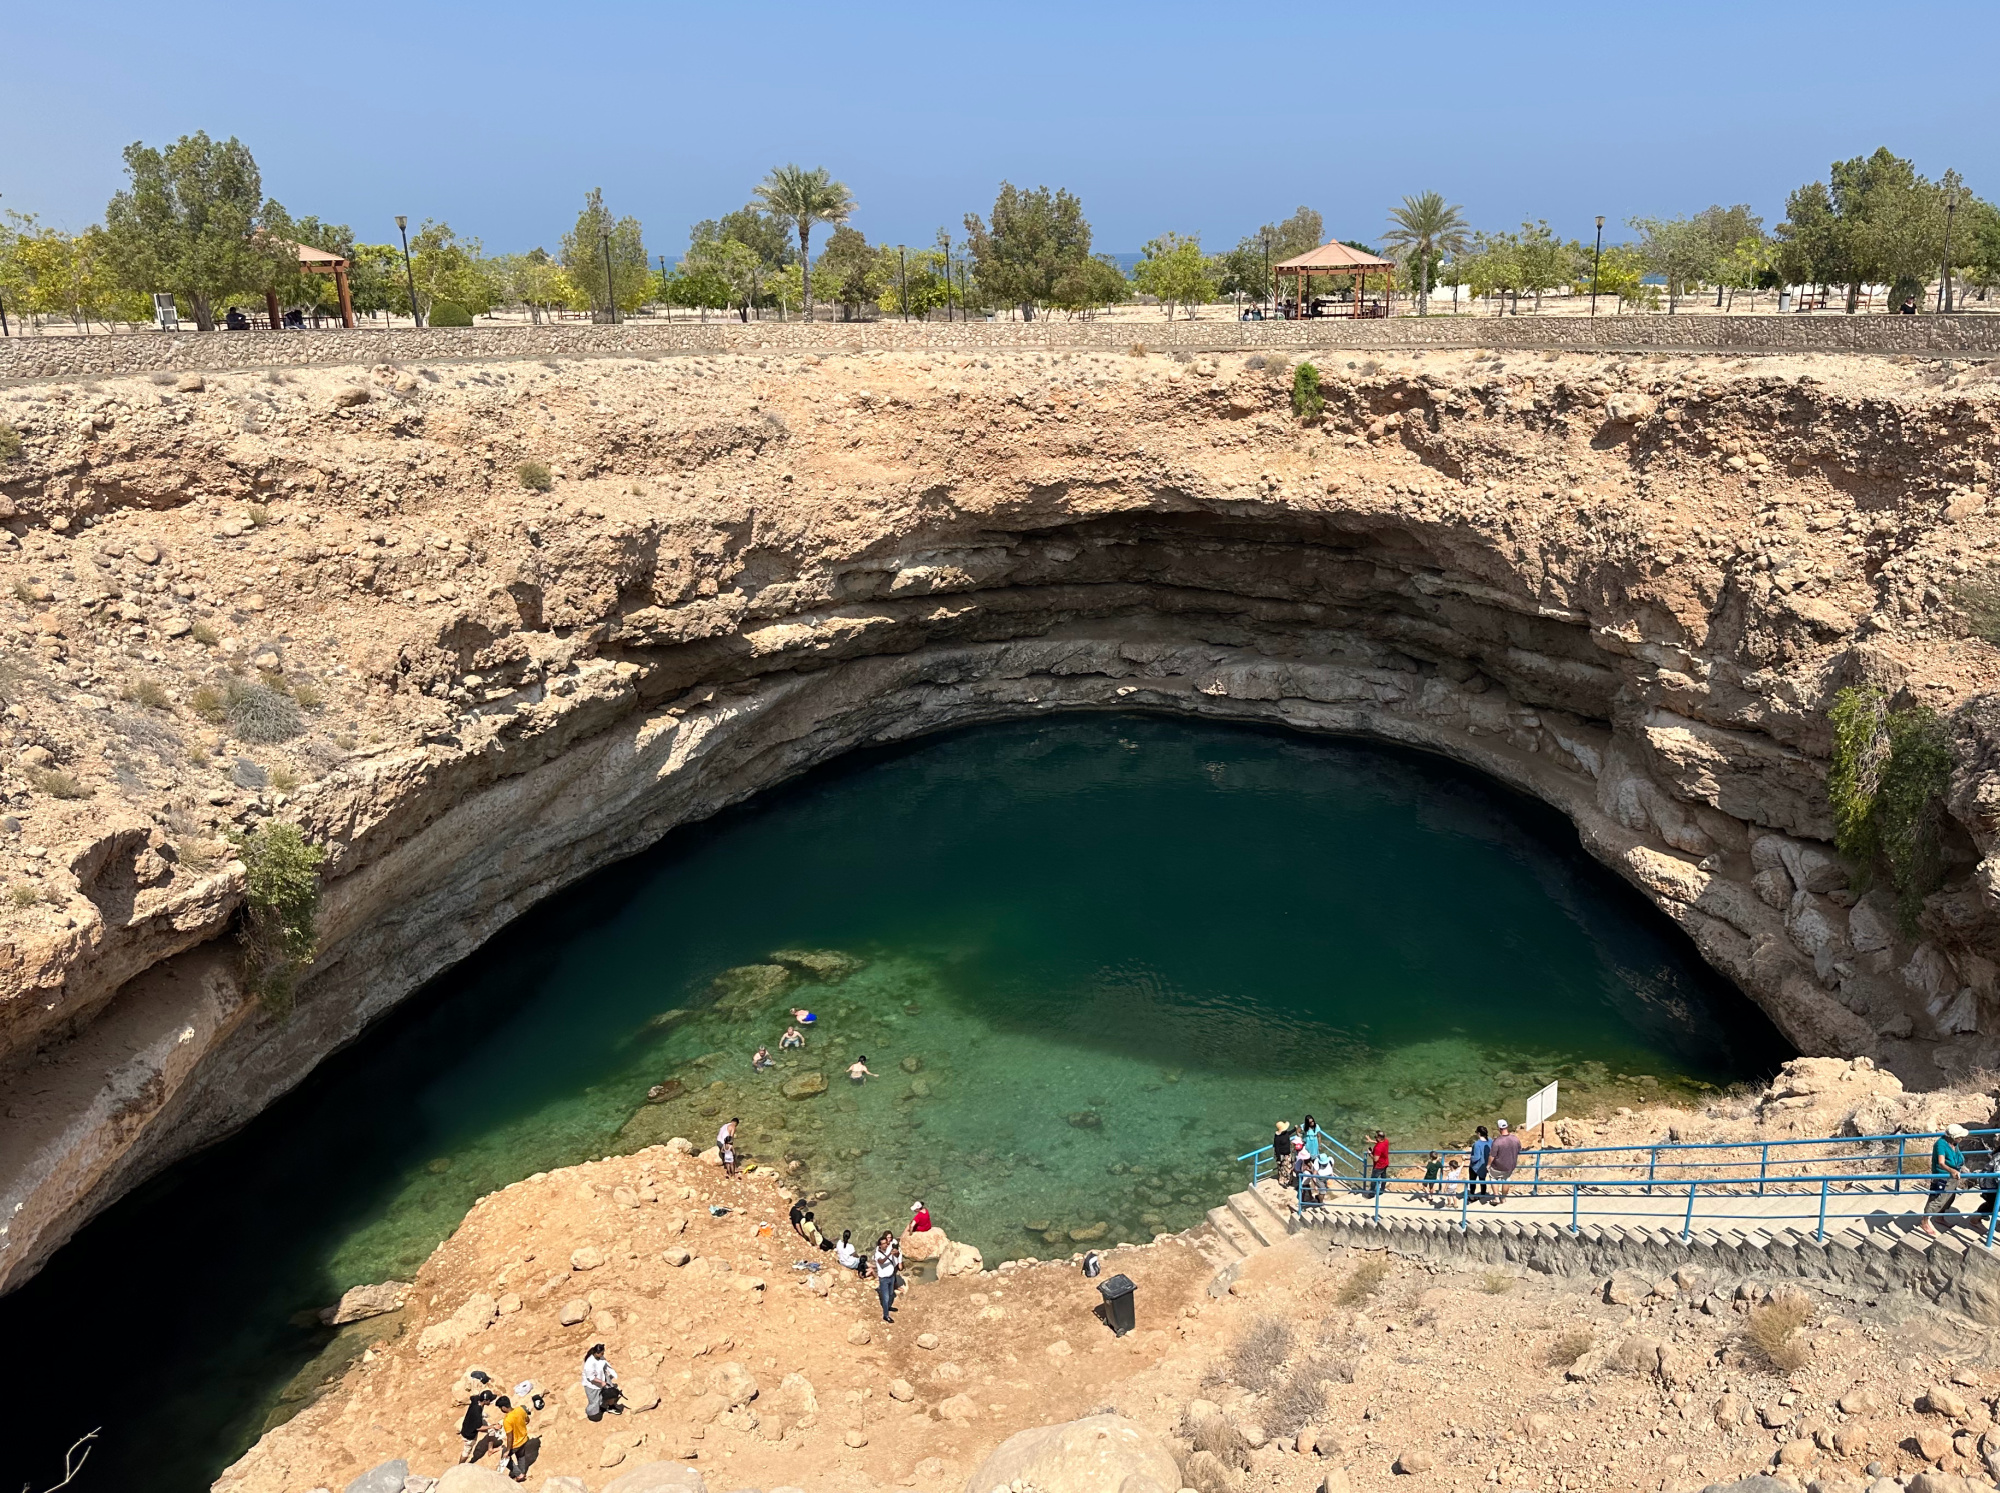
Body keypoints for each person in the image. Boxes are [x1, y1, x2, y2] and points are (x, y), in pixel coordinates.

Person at [1921, 1124, 1971, 1237]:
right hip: (1942, 1177)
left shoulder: (1954, 1143)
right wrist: (1952, 1171)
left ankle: (1939, 1217)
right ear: (1953, 1136)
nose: (1962, 1139)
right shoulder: (1941, 1144)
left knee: (1949, 1198)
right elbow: (1941, 1162)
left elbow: (1956, 1156)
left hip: (1953, 1176)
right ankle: (1924, 1222)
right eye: (1960, 1137)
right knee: (1937, 1199)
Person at [1487, 1119, 1523, 1205]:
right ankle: (1503, 1198)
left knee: (1493, 1178)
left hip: (1498, 1167)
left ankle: (1496, 1198)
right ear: (1507, 1127)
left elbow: (1492, 1155)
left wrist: (1488, 1165)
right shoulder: (1515, 1139)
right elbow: (1519, 1149)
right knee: (1506, 1179)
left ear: (1499, 1129)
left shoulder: (1497, 1141)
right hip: (1510, 1166)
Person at [496, 1395, 530, 1482]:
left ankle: (519, 1474)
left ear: (503, 1407)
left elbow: (510, 1436)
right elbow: (527, 1420)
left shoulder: (507, 1420)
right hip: (524, 1439)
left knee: (504, 1458)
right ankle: (522, 1472)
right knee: (521, 1456)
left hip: (515, 1444)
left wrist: (507, 1450)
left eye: (500, 1408)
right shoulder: (520, 1409)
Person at [582, 1344, 620, 1420]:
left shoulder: (600, 1357)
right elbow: (591, 1377)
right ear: (596, 1353)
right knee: (595, 1401)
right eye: (602, 1353)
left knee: (610, 1391)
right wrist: (601, 1382)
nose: (603, 1355)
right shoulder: (589, 1363)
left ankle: (611, 1406)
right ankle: (592, 1413)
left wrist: (609, 1375)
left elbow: (604, 1365)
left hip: (602, 1377)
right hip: (593, 1385)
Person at [459, 1389, 496, 1462]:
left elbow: (472, 1397)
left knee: (492, 1431)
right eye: (490, 1400)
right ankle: (460, 1466)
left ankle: (490, 1449)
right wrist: (492, 1426)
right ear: (485, 1401)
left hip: (470, 1424)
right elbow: (479, 1428)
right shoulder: (477, 1411)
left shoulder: (476, 1399)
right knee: (466, 1451)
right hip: (469, 1434)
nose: (491, 1401)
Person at [872, 1232, 902, 1322]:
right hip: (884, 1279)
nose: (886, 1245)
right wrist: (889, 1254)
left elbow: (897, 1255)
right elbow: (881, 1262)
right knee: (885, 1297)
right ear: (880, 1245)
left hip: (891, 1276)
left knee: (891, 1294)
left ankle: (888, 1307)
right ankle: (886, 1315)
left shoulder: (890, 1248)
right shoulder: (877, 1254)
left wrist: (896, 1253)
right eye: (884, 1243)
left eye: (886, 1243)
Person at [1469, 1126, 1492, 1203]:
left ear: (1479, 1133)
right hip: (1485, 1165)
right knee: (1483, 1181)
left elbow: (1476, 1157)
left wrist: (1468, 1158)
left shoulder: (1477, 1144)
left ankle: (1472, 1196)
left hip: (1476, 1167)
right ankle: (1482, 1194)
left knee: (1472, 1181)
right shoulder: (1490, 1141)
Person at [1367, 1131, 1390, 1198]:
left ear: (1379, 1138)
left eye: (1376, 1137)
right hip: (1385, 1163)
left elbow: (1375, 1159)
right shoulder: (1386, 1141)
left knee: (1373, 1179)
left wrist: (1370, 1153)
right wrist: (1371, 1140)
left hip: (1378, 1166)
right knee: (1383, 1177)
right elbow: (1378, 1142)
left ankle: (1372, 1193)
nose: (1375, 1138)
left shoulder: (1378, 1148)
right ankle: (1382, 1190)